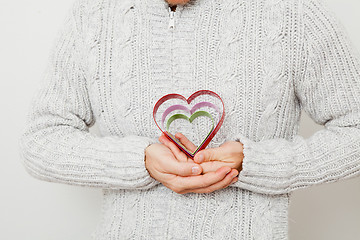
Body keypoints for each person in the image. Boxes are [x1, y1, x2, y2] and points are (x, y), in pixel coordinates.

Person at [19, 0, 360, 239]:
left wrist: (254, 164)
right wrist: (139, 161)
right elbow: (42, 140)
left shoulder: (294, 13)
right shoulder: (93, 15)